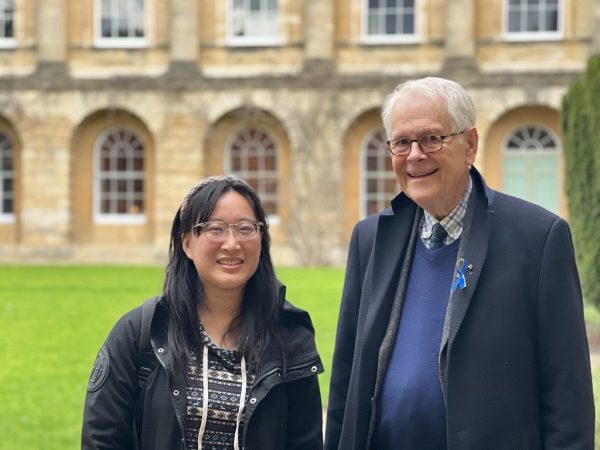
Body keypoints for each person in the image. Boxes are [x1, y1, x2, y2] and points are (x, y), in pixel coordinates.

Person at [324, 77, 594, 449]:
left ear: (470, 145)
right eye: (402, 142)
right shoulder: (370, 239)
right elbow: (346, 382)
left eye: (431, 138)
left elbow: (569, 399)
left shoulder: (538, 238)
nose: (415, 155)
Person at [82, 175, 324, 450]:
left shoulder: (290, 337)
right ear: (186, 243)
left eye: (246, 228)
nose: (232, 244)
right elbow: (102, 441)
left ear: (261, 239)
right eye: (215, 229)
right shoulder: (141, 332)